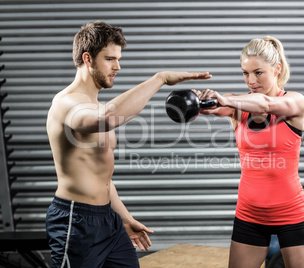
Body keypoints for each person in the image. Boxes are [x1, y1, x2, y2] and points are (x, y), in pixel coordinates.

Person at [46, 21, 212, 268]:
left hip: (108, 220)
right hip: (76, 220)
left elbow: (102, 176)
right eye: (110, 59)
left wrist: (124, 217)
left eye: (119, 59)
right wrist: (160, 79)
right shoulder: (66, 103)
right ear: (88, 59)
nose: (118, 67)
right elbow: (109, 119)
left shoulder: (96, 106)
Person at [193, 36, 304, 268]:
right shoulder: (237, 106)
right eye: (245, 73)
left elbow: (266, 105)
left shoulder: (295, 101)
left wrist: (226, 100)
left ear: (277, 69)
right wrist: (196, 102)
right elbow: (217, 107)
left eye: (258, 72)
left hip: (291, 212)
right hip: (250, 214)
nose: (251, 80)